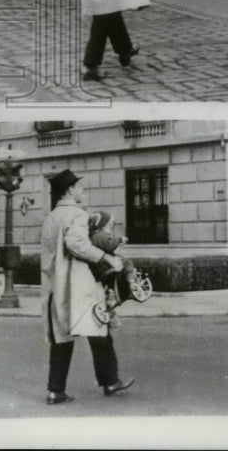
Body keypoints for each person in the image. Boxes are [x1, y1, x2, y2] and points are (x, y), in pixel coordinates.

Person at [41, 169, 134, 404]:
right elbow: (77, 243)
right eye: (79, 187)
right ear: (70, 190)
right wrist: (107, 257)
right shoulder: (77, 214)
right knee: (100, 331)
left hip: (55, 287)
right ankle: (110, 381)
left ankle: (55, 390)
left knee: (61, 338)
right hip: (79, 287)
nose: (82, 191)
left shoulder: (51, 217)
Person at [88, 210, 152, 321]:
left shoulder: (92, 236)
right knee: (127, 262)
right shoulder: (101, 235)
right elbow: (110, 245)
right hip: (105, 266)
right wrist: (120, 239)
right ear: (103, 224)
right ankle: (132, 283)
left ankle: (112, 297)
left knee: (111, 282)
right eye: (109, 226)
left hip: (98, 269)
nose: (110, 229)